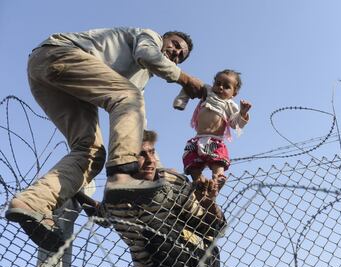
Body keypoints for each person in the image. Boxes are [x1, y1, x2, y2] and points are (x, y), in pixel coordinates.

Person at [5, 27, 204, 252]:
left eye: (180, 56)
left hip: (50, 75)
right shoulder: (149, 37)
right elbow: (148, 56)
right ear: (165, 38)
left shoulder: (138, 79)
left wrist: (154, 167)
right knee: (128, 97)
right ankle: (121, 176)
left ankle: (33, 203)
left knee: (90, 151)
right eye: (175, 45)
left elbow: (136, 122)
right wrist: (186, 79)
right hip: (60, 54)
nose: (175, 53)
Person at [79, 130, 225, 267]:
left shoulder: (172, 182)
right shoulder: (116, 197)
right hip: (153, 266)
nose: (150, 161)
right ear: (125, 159)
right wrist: (75, 192)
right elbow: (101, 216)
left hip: (198, 257)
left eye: (152, 152)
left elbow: (209, 228)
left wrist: (208, 201)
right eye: (141, 155)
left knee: (156, 231)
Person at [175, 69, 251, 188]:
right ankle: (199, 182)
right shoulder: (208, 92)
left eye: (226, 87)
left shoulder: (229, 104)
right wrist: (182, 100)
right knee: (191, 160)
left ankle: (218, 178)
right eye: (218, 83)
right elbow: (192, 84)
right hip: (197, 139)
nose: (220, 87)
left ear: (234, 94)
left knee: (217, 161)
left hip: (214, 140)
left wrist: (243, 113)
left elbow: (235, 123)